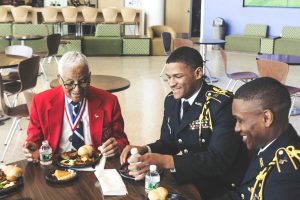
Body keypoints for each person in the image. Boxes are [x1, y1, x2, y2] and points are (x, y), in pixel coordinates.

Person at [120, 47, 249, 199]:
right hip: (190, 174)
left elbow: (219, 160)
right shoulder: (171, 100)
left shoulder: (222, 104)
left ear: (198, 73)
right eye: (168, 77)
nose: (171, 83)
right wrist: (145, 149)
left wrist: (166, 161)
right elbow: (169, 143)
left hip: (220, 184)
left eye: (177, 76)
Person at [23, 51, 129, 162]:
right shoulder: (41, 102)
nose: (77, 89)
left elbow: (122, 140)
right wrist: (32, 148)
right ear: (60, 79)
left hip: (96, 163)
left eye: (83, 81)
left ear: (89, 76)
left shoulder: (109, 101)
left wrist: (117, 146)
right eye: (69, 83)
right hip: (56, 165)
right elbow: (34, 141)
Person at [213, 77, 300, 200]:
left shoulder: (287, 174)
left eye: (240, 120)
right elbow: (242, 194)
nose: (236, 128)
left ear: (266, 118)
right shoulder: (264, 144)